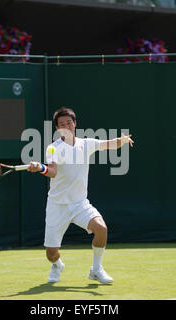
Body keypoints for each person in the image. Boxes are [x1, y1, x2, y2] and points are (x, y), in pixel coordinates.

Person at [27, 107, 134, 284]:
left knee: (101, 229)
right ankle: (57, 265)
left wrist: (121, 141)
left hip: (79, 204)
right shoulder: (53, 148)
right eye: (62, 125)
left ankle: (96, 269)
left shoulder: (86, 143)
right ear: (57, 129)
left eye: (69, 123)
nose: (66, 127)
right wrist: (41, 168)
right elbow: (52, 171)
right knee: (51, 253)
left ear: (75, 124)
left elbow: (109, 144)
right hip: (57, 205)